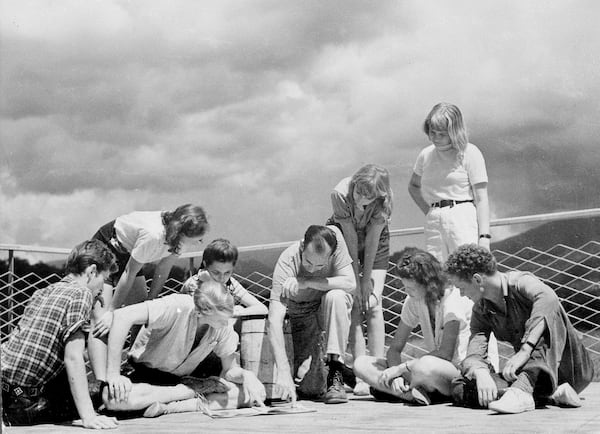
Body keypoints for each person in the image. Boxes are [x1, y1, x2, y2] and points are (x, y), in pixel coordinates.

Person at [445, 244, 595, 414]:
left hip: (570, 369)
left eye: (461, 288)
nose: (462, 294)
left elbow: (548, 297)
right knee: (460, 388)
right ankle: (549, 395)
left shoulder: (520, 282)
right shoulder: (481, 310)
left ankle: (523, 390)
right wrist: (480, 372)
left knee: (547, 310)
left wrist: (525, 350)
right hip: (533, 374)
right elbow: (475, 352)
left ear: (478, 279)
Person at [103, 278, 266, 418]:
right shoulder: (177, 305)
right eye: (222, 320)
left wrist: (247, 376)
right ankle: (188, 394)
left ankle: (171, 407)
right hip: (145, 375)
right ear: (201, 313)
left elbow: (230, 369)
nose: (227, 323)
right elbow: (122, 316)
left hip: (179, 380)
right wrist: (113, 374)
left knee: (252, 394)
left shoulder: (223, 326)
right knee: (112, 399)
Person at [2, 240, 119, 429]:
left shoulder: (45, 290)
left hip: (5, 387)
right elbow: (73, 358)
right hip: (23, 404)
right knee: (104, 399)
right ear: (91, 272)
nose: (102, 288)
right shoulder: (82, 294)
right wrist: (88, 417)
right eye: (103, 280)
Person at [89, 204, 208, 376]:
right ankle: (102, 381)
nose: (199, 243)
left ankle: (131, 370)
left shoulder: (179, 239)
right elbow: (129, 273)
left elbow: (163, 269)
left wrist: (150, 301)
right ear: (181, 233)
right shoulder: (154, 235)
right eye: (196, 239)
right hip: (107, 246)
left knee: (141, 314)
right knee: (101, 319)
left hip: (129, 253)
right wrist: (112, 312)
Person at [353, 247, 475, 405]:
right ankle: (411, 393)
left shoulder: (452, 299)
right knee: (361, 363)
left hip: (454, 372)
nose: (406, 291)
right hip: (422, 371)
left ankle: (403, 391)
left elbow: (445, 353)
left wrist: (400, 369)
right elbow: (395, 348)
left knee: (424, 366)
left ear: (428, 284)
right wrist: (396, 375)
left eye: (410, 288)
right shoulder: (413, 300)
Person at [268, 225, 356, 404]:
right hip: (300, 314)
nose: (313, 269)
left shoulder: (335, 239)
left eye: (320, 265)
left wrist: (307, 281)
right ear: (302, 247)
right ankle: (339, 369)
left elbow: (350, 283)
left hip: (325, 308)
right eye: (308, 263)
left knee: (337, 296)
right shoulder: (287, 261)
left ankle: (336, 373)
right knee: (310, 388)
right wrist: (284, 372)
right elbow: (274, 321)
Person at [327, 164, 393, 395]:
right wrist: (356, 281)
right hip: (343, 238)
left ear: (380, 195)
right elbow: (350, 239)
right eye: (358, 191)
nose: (360, 197)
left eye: (368, 195)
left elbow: (373, 240)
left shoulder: (384, 203)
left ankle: (377, 374)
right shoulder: (339, 193)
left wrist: (367, 283)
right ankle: (361, 374)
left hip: (375, 241)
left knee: (373, 303)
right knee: (355, 303)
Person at [408, 103, 491, 263]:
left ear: (454, 131)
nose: (436, 138)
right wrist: (430, 212)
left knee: (467, 269)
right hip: (434, 220)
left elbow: (481, 198)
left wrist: (484, 237)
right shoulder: (425, 154)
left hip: (462, 216)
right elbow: (413, 186)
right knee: (440, 276)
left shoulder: (469, 152)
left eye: (442, 134)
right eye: (433, 132)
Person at [183, 238, 267, 318]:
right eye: (216, 272)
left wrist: (237, 312)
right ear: (205, 265)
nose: (221, 278)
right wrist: (210, 282)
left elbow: (262, 308)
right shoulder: (194, 284)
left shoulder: (230, 282)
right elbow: (208, 315)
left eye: (227, 273)